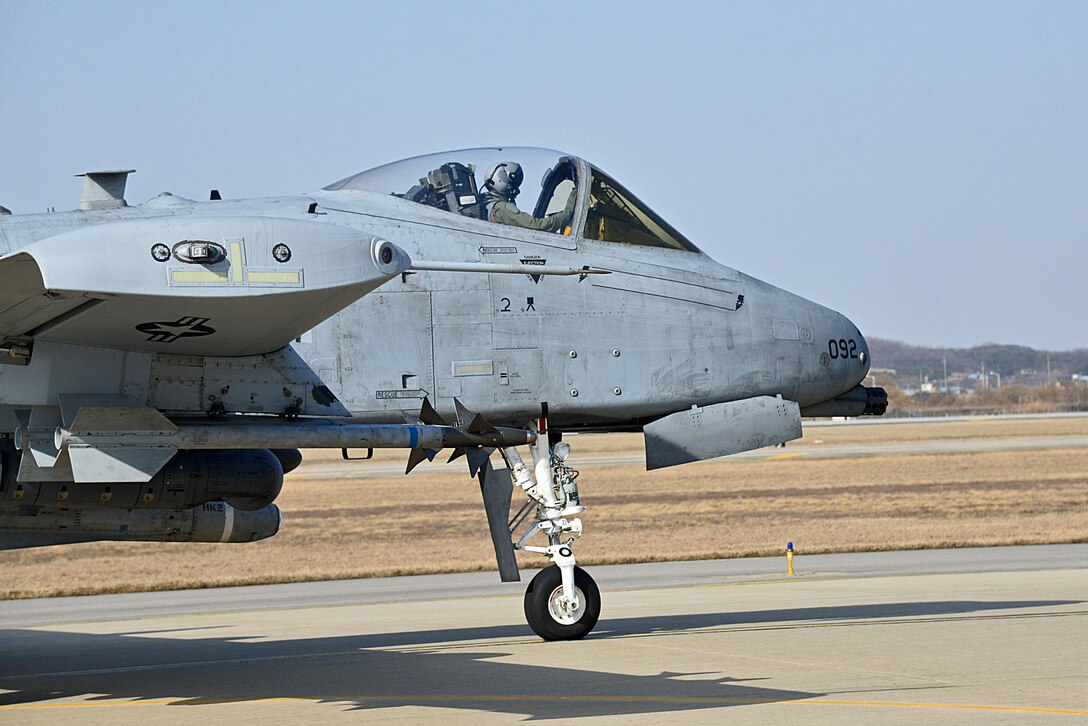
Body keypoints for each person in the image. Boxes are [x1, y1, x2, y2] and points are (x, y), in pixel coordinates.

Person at [482, 162, 576, 233]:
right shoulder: (502, 208)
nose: (516, 190)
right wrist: (566, 215)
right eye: (514, 185)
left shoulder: (485, 204)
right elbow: (536, 226)